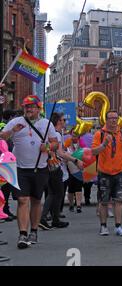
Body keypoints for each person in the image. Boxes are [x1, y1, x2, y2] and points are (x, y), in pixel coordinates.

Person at [0, 95, 58, 249]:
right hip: (19, 169)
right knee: (22, 200)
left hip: (40, 168)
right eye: (26, 107)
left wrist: (48, 147)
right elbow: (2, 137)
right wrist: (13, 130)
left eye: (32, 107)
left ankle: (34, 230)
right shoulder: (16, 122)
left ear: (39, 108)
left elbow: (55, 143)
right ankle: (23, 234)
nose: (29, 109)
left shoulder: (46, 124)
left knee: (36, 200)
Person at [92, 110, 122, 237]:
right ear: (106, 120)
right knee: (104, 201)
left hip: (120, 172)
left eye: (115, 118)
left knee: (119, 201)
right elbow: (93, 151)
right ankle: (103, 226)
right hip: (104, 172)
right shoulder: (100, 134)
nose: (114, 120)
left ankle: (118, 226)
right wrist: (104, 143)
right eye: (111, 118)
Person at [39, 113, 82, 230]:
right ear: (58, 121)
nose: (65, 122)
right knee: (57, 193)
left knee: (54, 193)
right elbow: (61, 153)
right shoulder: (56, 135)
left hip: (51, 166)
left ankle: (51, 218)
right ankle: (50, 218)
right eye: (63, 120)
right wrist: (75, 160)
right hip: (54, 166)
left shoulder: (56, 134)